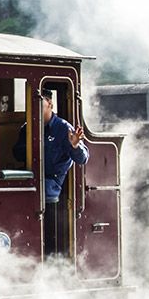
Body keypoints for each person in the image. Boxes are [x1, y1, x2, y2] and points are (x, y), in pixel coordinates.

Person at [37, 87, 88, 259]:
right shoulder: (27, 127)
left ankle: (52, 258)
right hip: (32, 181)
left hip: (52, 185)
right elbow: (17, 152)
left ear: (50, 104)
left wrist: (75, 145)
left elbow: (82, 158)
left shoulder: (63, 128)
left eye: (40, 104)